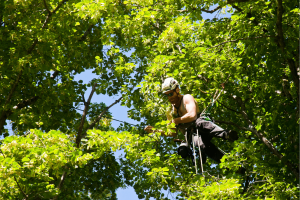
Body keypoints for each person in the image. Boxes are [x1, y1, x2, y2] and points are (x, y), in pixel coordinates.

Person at [144, 77, 238, 164]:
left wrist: (176, 120)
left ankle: (226, 134)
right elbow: (172, 133)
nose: (169, 97)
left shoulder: (186, 98)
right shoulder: (169, 111)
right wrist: (155, 131)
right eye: (166, 95)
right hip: (191, 135)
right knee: (202, 146)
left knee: (199, 123)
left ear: (177, 90)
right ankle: (230, 164)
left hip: (203, 126)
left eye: (171, 94)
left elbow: (192, 115)